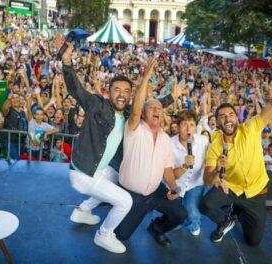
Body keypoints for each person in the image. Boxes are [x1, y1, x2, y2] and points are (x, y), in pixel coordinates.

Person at [55, 35, 181, 254]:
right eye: (117, 90)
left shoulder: (128, 115)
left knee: (118, 179)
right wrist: (66, 62)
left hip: (100, 170)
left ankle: (82, 210)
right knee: (124, 201)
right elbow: (76, 89)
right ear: (108, 92)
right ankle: (104, 235)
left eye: (126, 91)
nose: (121, 95)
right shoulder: (97, 105)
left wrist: (171, 97)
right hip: (83, 172)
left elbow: (148, 106)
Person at [199, 54, 272, 246]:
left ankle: (238, 211)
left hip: (256, 193)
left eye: (231, 114)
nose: (227, 119)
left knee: (252, 241)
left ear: (237, 118)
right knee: (206, 204)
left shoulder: (251, 128)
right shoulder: (215, 146)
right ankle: (226, 220)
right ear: (217, 122)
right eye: (222, 116)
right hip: (233, 189)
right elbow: (206, 180)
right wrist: (215, 170)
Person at [115, 58, 188, 247]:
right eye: (151, 108)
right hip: (133, 195)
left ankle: (157, 227)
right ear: (144, 114)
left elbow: (167, 169)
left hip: (156, 192)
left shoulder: (165, 139)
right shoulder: (134, 128)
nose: (157, 110)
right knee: (121, 235)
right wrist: (146, 78)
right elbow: (135, 108)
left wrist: (173, 188)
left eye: (159, 108)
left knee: (180, 214)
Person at [171, 109, 209, 236]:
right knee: (174, 218)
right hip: (175, 184)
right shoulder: (170, 144)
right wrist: (184, 166)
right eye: (184, 124)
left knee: (191, 211)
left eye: (192, 125)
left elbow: (211, 162)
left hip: (195, 183)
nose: (188, 129)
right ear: (178, 126)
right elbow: (170, 175)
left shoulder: (203, 141)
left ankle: (193, 225)